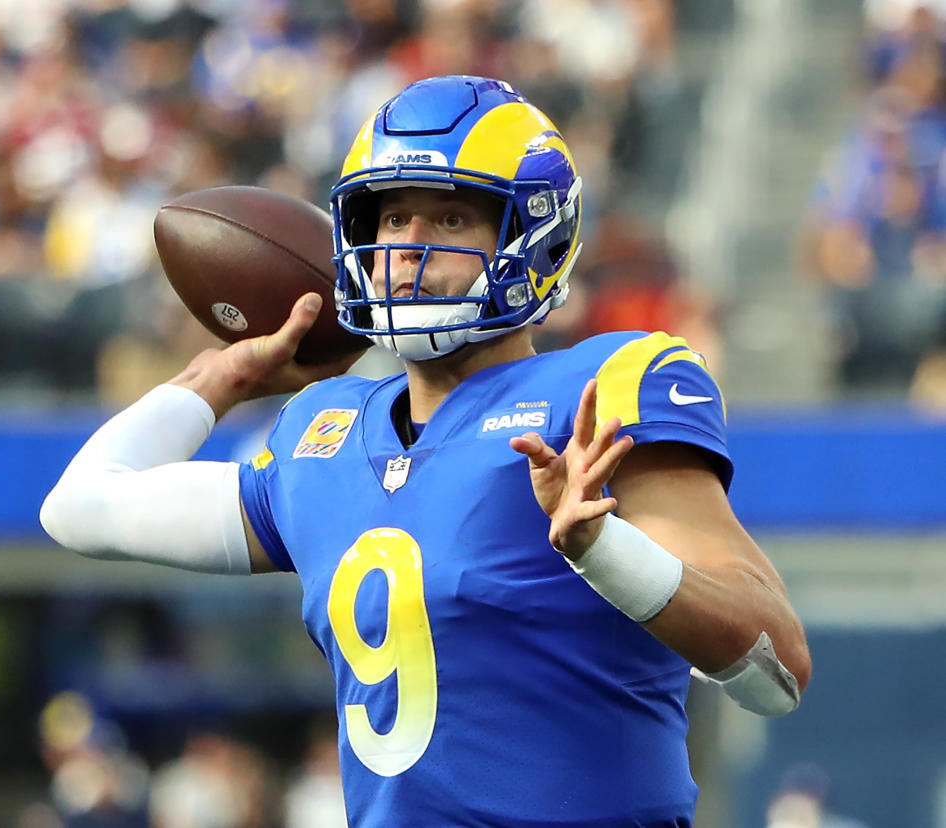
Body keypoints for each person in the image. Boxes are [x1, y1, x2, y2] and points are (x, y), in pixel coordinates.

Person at [41, 75, 812, 827]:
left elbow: (776, 672)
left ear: (529, 236)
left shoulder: (603, 388)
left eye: (448, 221)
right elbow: (81, 507)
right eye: (392, 218)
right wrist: (218, 379)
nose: (406, 250)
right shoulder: (321, 435)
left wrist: (603, 549)